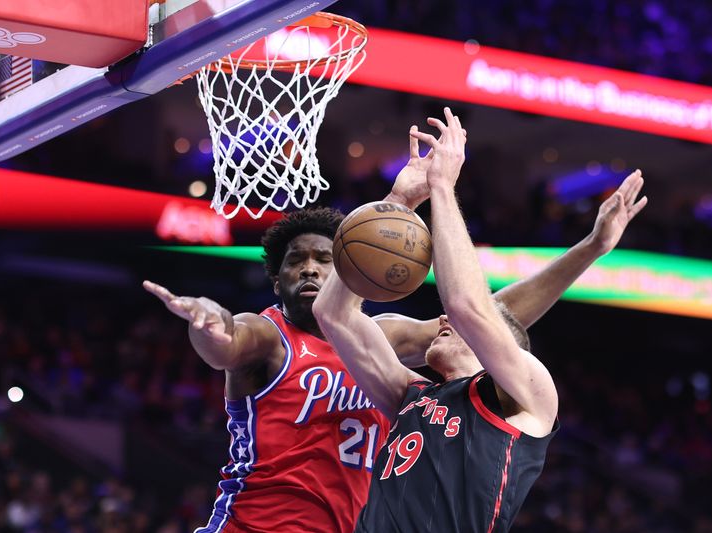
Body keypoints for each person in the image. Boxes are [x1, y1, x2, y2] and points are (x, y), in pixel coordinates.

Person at [143, 113, 647, 533]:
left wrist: (586, 248)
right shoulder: (395, 385)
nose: (314, 270)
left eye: (326, 257)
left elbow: (482, 312)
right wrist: (399, 202)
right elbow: (267, 330)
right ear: (276, 279)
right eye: (300, 262)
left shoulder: (520, 392)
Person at [312, 108, 646, 532]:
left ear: (500, 343)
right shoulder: (410, 395)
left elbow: (466, 306)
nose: (443, 320)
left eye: (467, 325)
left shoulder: (528, 399)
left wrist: (443, 188)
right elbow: (332, 314)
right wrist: (397, 206)